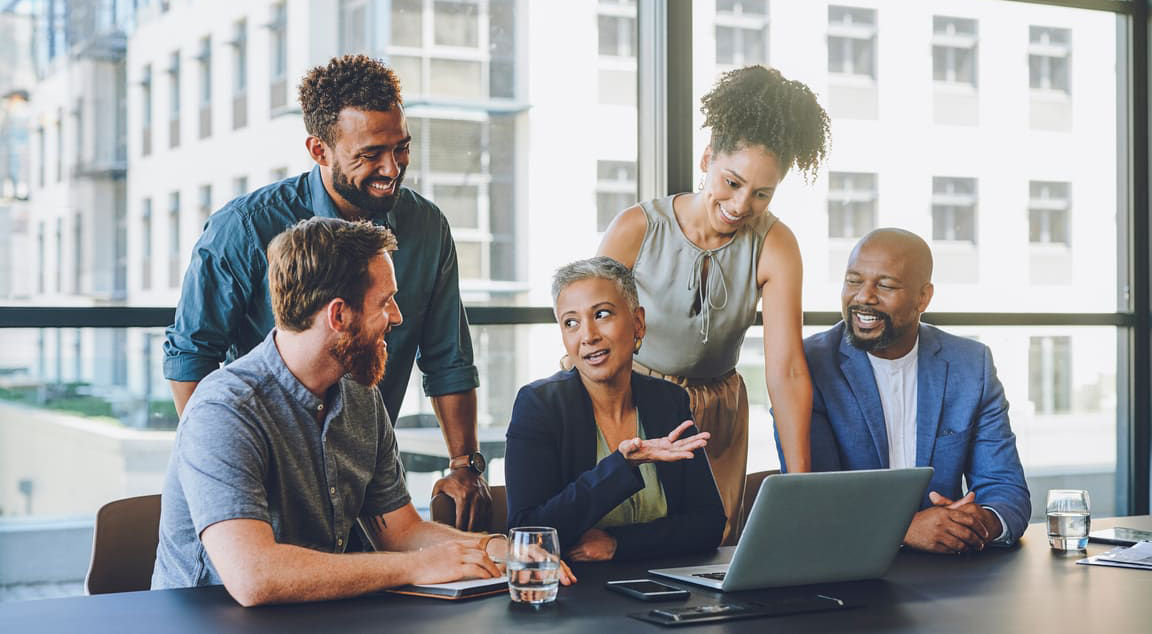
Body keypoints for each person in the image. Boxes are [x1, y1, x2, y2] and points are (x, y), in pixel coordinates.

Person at [152, 217, 574, 604]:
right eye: (385, 301)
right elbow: (253, 577)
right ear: (339, 314)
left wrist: (493, 548)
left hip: (318, 616)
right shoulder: (224, 409)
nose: (397, 316)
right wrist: (419, 566)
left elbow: (402, 531)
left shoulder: (358, 393)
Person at [163, 55, 488, 528]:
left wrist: (465, 464)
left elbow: (448, 359)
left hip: (365, 480)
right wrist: (226, 466)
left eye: (402, 149)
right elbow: (192, 353)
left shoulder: (426, 227)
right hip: (267, 479)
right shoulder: (245, 228)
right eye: (370, 154)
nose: (392, 168)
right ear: (319, 150)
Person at [598, 65, 831, 542]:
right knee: (627, 539)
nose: (743, 203)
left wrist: (803, 486)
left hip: (718, 411)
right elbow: (585, 333)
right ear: (707, 158)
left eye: (762, 193)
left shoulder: (777, 245)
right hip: (633, 402)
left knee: (709, 546)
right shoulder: (635, 229)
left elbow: (786, 370)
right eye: (732, 181)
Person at [794, 228, 1032, 553]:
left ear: (923, 297)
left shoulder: (970, 364)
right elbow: (812, 499)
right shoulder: (809, 365)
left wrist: (978, 523)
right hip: (844, 568)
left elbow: (1005, 488)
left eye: (885, 285)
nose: (864, 296)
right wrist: (904, 529)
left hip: (948, 574)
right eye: (853, 281)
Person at [505, 257, 726, 561]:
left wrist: (619, 545)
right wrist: (622, 466)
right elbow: (527, 532)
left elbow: (708, 525)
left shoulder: (669, 401)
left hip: (666, 589)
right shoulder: (539, 405)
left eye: (602, 314)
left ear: (638, 323)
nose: (588, 335)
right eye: (571, 322)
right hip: (579, 594)